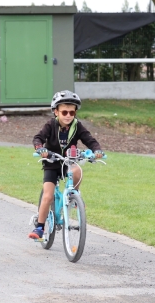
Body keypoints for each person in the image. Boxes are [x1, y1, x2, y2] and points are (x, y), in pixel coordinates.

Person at [29, 90, 104, 240]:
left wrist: (97, 151)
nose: (68, 115)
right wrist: (41, 149)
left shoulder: (77, 126)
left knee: (77, 171)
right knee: (48, 196)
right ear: (56, 112)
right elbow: (38, 138)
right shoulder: (50, 125)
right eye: (64, 112)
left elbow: (89, 140)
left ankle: (74, 195)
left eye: (72, 112)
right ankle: (39, 228)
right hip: (51, 163)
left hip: (67, 163)